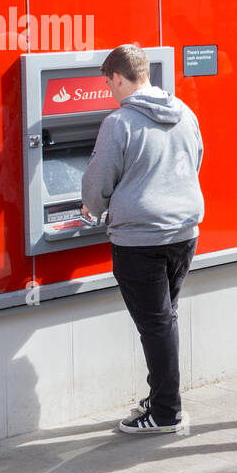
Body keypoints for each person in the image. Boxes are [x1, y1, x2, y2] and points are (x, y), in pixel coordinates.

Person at [82, 43, 204, 435]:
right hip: (183, 233)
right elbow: (195, 159)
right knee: (164, 320)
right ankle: (159, 399)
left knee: (156, 324)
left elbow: (99, 184)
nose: (109, 91)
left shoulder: (118, 124)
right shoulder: (185, 112)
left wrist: (92, 207)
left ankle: (166, 412)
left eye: (108, 83)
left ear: (118, 78)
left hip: (140, 241)